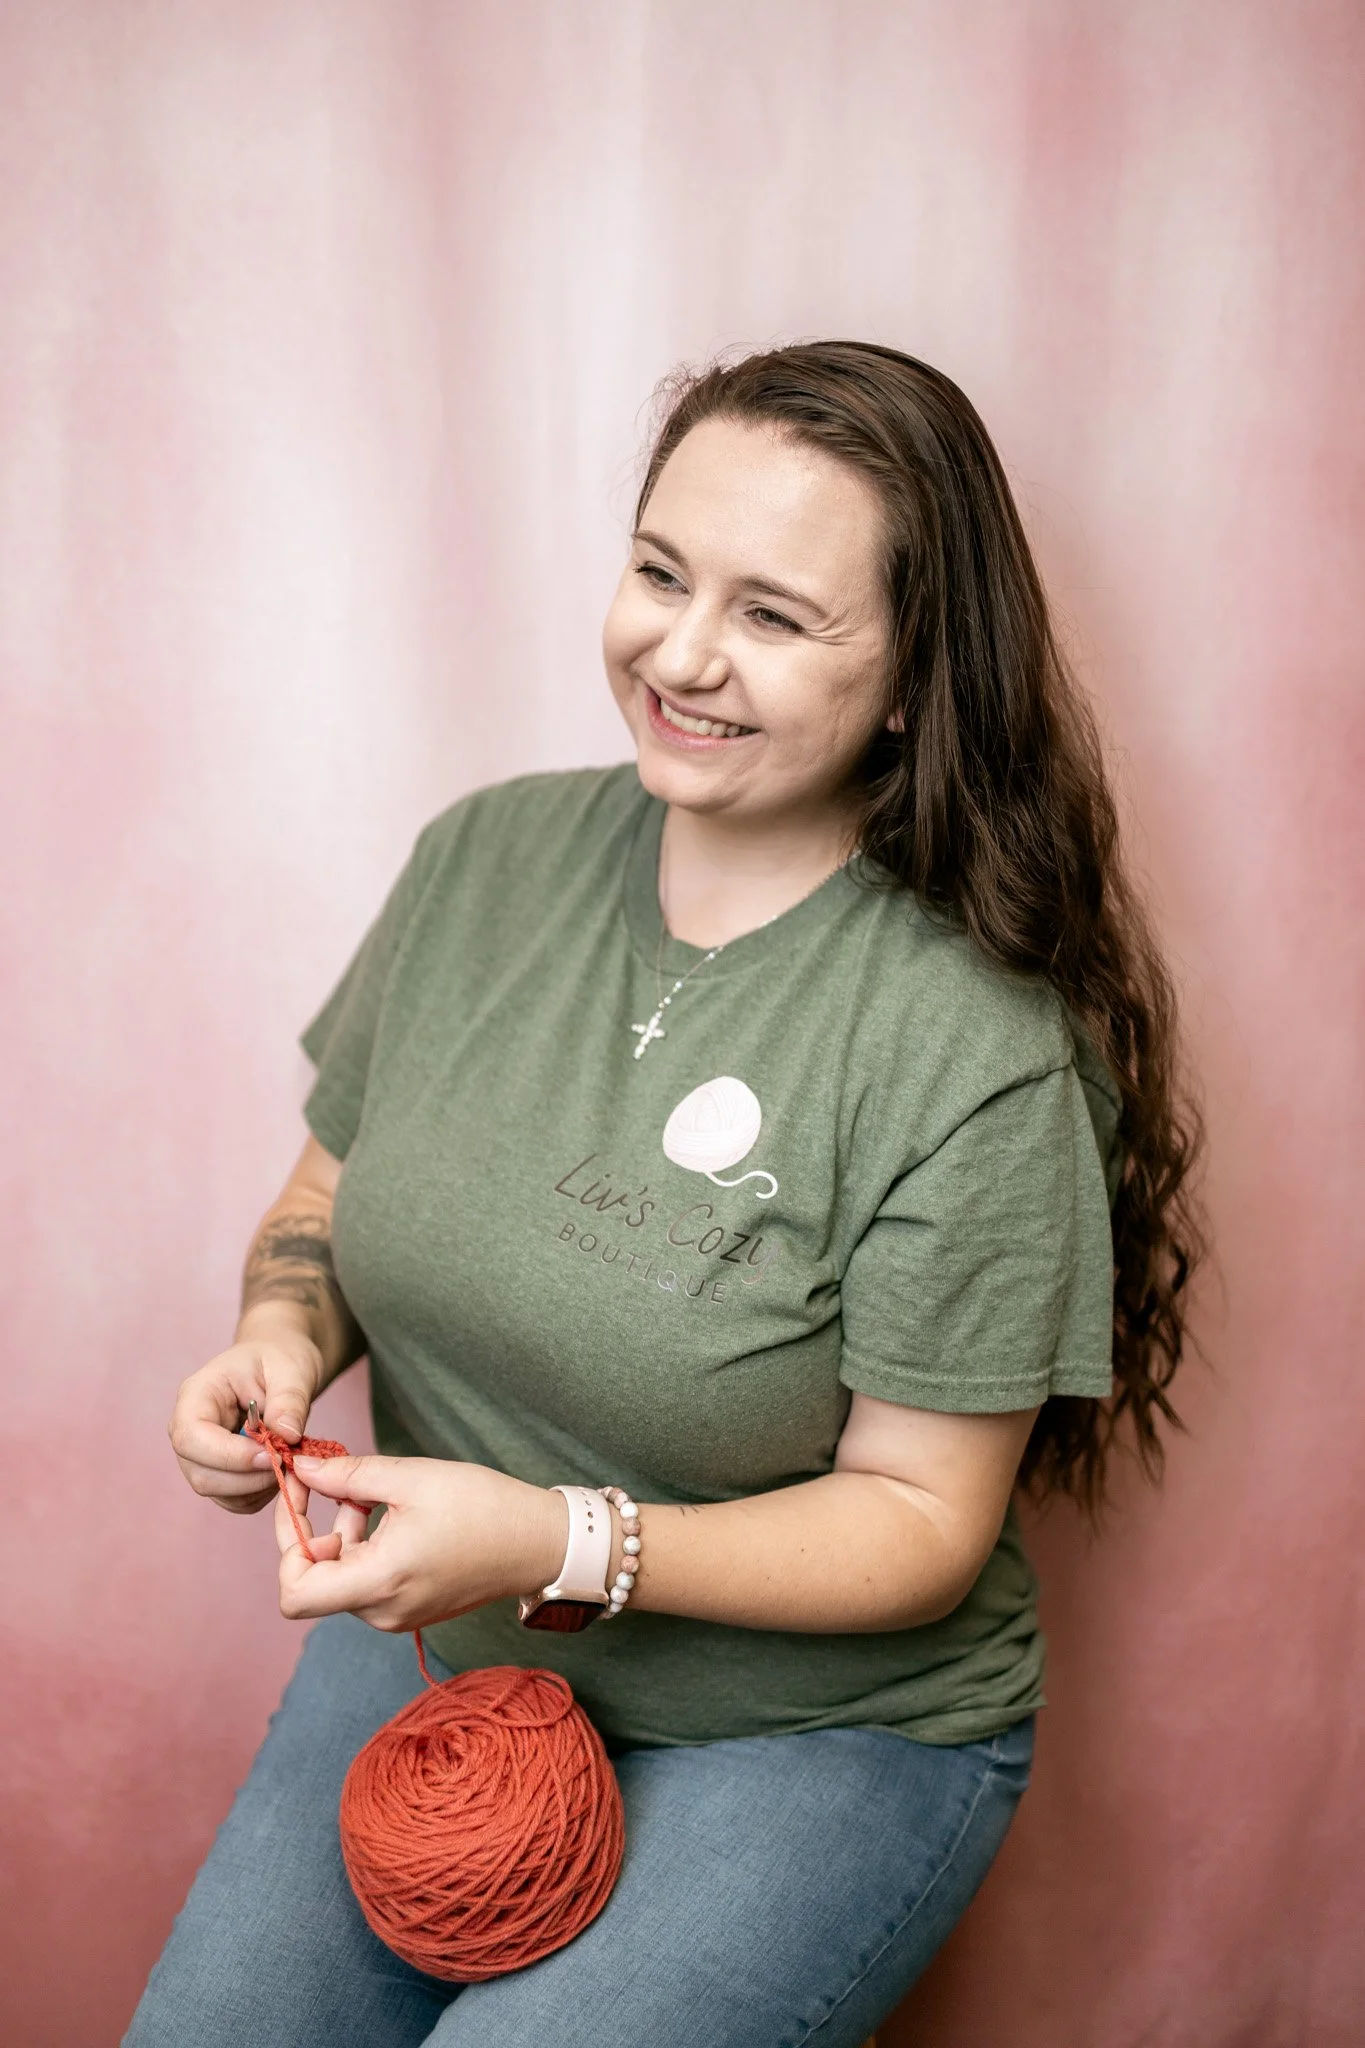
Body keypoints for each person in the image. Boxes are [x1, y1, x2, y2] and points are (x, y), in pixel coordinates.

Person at [128, 341, 1201, 2047]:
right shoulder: (483, 858)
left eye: (775, 616)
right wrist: (277, 1326)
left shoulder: (975, 1049)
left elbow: (924, 1523)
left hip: (808, 1734)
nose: (681, 655)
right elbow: (330, 1193)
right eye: (659, 571)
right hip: (451, 1663)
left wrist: (556, 1538)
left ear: (918, 679)